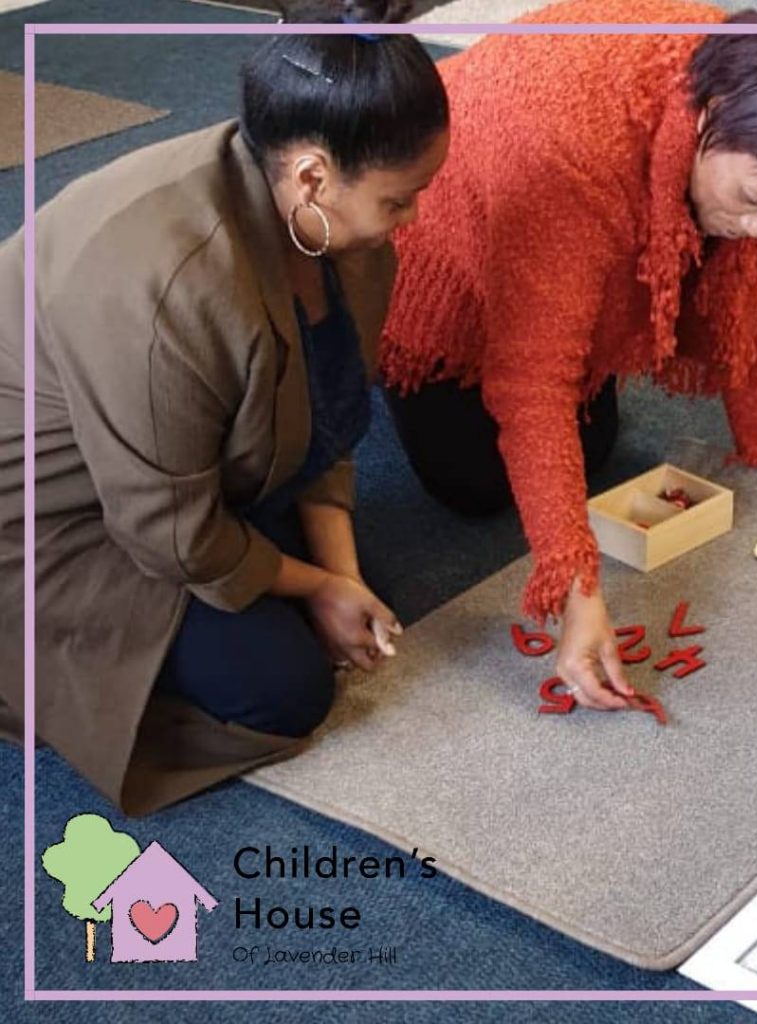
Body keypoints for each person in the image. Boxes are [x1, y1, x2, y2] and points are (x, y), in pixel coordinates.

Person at [381, 0, 757, 713]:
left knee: (591, 449)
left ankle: (585, 308)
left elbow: (756, 288)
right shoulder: (567, 152)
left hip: (575, 204)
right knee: (473, 484)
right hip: (444, 240)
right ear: (710, 114)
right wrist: (576, 590)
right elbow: (532, 383)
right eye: (752, 200)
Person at [0, 5, 449, 815]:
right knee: (285, 688)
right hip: (53, 512)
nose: (410, 220)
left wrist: (337, 576)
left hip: (160, 475)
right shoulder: (170, 282)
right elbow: (167, 532)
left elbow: (334, 413)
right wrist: (315, 586)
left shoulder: (332, 229)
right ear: (312, 176)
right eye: (398, 200)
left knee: (361, 593)